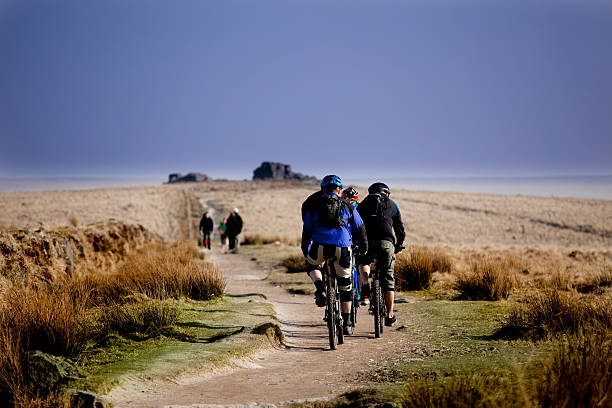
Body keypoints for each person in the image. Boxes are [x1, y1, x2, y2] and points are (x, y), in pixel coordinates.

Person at [301, 174, 368, 334]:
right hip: (343, 247)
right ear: (339, 190)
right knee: (346, 287)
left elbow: (307, 230)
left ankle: (320, 287)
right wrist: (363, 247)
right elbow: (360, 227)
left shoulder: (315, 205)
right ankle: (347, 321)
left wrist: (306, 249)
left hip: (320, 246)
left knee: (311, 264)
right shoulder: (348, 205)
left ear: (323, 189)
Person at [356, 182, 405, 327]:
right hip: (386, 244)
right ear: (387, 193)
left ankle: (365, 285)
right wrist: (399, 244)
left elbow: (356, 225)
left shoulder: (363, 204)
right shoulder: (392, 204)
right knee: (388, 279)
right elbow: (399, 228)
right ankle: (389, 315)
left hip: (367, 243)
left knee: (363, 262)